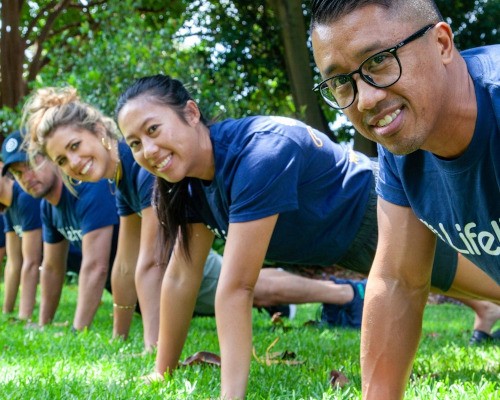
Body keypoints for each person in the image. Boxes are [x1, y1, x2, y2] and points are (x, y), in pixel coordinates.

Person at [114, 74, 500, 399]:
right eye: (134, 143)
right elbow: (181, 278)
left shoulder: (259, 153)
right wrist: (162, 372)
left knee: (494, 279)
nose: (148, 150)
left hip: (381, 217)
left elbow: (236, 288)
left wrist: (230, 396)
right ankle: (486, 310)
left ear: (191, 113)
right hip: (345, 244)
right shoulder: (188, 186)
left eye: (153, 129)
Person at [21, 86, 377, 346]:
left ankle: (346, 295)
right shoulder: (120, 177)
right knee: (244, 287)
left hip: (192, 251)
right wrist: (119, 334)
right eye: (63, 161)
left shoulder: (144, 165)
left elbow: (151, 264)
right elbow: (126, 265)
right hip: (193, 252)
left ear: (99, 133)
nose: (74, 163)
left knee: (246, 286)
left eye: (74, 147)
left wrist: (152, 344)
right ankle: (345, 296)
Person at [309, 0, 499, 398]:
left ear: (442, 44)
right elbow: (399, 281)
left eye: (378, 60)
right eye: (342, 82)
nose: (365, 101)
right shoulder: (402, 147)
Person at [1, 130, 119, 332]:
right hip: (127, 292)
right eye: (19, 173)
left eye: (31, 165)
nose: (26, 178)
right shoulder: (48, 207)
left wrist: (77, 330)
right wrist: (42, 324)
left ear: (52, 158)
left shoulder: (88, 188)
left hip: (161, 280)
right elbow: (52, 267)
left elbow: (96, 267)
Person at [0, 155, 42, 321]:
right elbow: (13, 261)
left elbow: (31, 262)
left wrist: (24, 317)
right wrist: (6, 311)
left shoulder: (25, 197)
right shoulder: (9, 209)